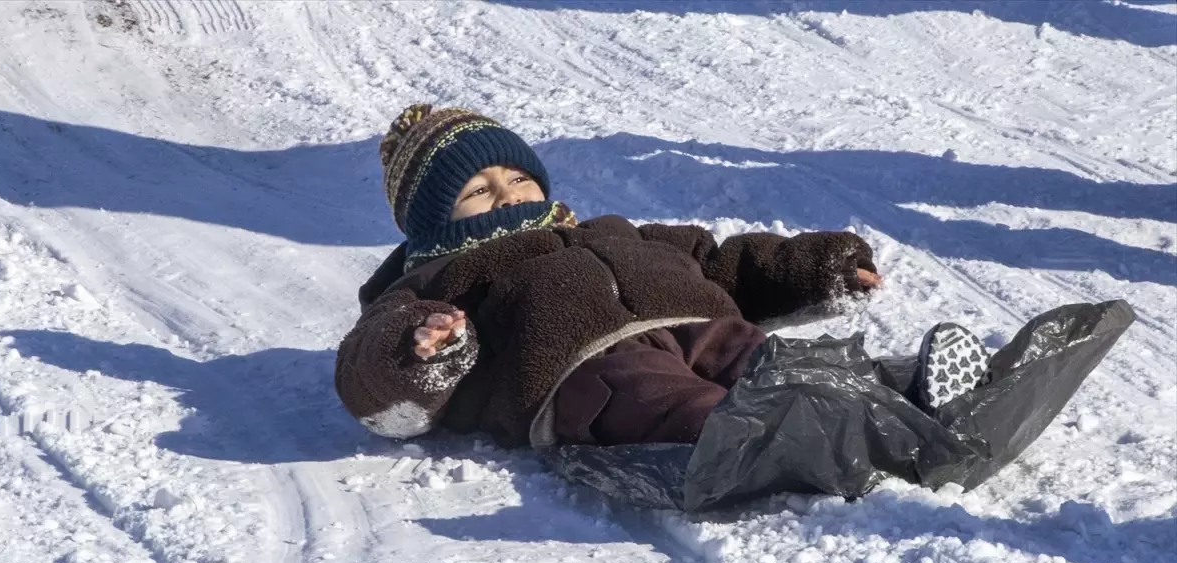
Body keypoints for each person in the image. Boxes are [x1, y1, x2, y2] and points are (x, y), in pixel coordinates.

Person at [335, 104, 988, 451]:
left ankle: (901, 392)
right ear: (432, 221)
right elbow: (372, 371)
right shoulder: (438, 280)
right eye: (478, 190)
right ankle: (761, 439)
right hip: (579, 367)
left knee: (764, 357)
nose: (507, 196)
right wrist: (419, 348)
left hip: (695, 322)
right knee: (657, 395)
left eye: (516, 177)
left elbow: (723, 263)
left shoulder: (609, 229)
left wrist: (820, 268)